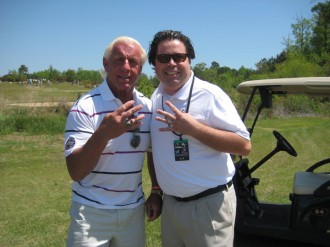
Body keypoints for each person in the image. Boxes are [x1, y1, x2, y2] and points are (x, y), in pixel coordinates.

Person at [146, 30, 252, 247]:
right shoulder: (155, 98)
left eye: (179, 57)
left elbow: (244, 145)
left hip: (208, 207)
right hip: (172, 207)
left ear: (189, 59)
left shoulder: (210, 95)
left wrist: (194, 129)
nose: (172, 63)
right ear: (154, 64)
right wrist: (156, 190)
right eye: (164, 58)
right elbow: (152, 150)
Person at [64, 36, 161, 247]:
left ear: (140, 69)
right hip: (91, 212)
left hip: (133, 213)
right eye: (119, 60)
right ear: (106, 64)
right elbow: (76, 171)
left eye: (133, 62)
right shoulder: (85, 107)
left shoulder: (147, 106)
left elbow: (153, 152)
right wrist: (103, 134)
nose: (126, 67)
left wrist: (155, 190)